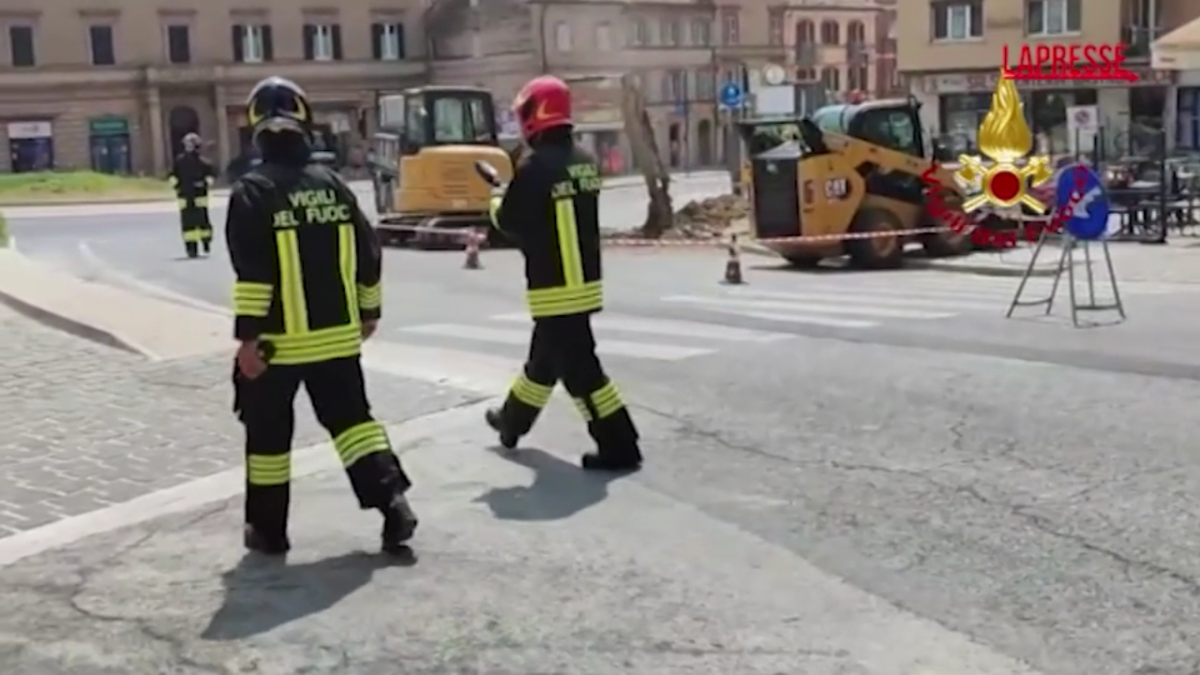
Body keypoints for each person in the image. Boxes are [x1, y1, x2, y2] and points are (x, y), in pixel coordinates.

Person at [227, 76, 418, 556]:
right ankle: (392, 503)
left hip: (279, 342)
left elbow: (253, 274)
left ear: (256, 131)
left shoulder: (252, 191)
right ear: (305, 126)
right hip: (336, 337)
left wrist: (248, 340)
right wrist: (368, 310)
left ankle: (268, 532)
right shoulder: (333, 186)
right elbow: (369, 253)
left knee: (269, 437)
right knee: (353, 423)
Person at [484, 75, 643, 472]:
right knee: (543, 363)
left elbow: (508, 222)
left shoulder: (534, 167)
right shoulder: (585, 162)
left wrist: (496, 196)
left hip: (554, 288)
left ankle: (620, 444)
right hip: (585, 283)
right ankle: (511, 422)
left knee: (582, 374)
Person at [168, 132, 217, 258]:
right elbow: (172, 175)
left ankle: (205, 242)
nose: (189, 147)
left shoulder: (204, 162)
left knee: (201, 221)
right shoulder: (180, 161)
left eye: (191, 144)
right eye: (188, 144)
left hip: (198, 196)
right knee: (188, 224)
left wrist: (204, 183)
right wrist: (176, 185)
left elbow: (212, 176)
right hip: (185, 196)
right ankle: (191, 248)